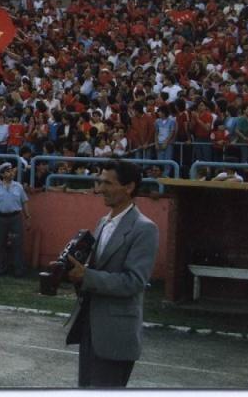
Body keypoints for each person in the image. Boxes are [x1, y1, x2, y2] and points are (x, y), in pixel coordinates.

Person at [65, 160, 159, 388]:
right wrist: (68, 270)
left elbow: (134, 282)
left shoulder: (144, 228)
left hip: (116, 334)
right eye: (99, 182)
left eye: (108, 183)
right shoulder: (103, 223)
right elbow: (97, 269)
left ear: (129, 187)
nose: (100, 189)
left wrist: (86, 276)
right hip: (91, 327)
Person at [0, 162, 31, 277]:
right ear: (2, 174)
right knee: (1, 244)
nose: (11, 173)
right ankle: (2, 267)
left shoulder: (18, 186)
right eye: (8, 171)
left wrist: (27, 217)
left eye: (11, 171)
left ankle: (18, 269)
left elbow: (24, 202)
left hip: (15, 217)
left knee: (17, 243)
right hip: (1, 218)